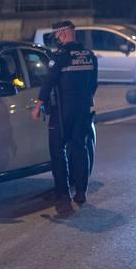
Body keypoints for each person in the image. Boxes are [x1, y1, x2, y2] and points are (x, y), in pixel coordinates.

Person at [31, 20, 98, 204]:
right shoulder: (89, 56)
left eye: (56, 35)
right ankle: (81, 191)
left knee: (57, 151)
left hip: (62, 111)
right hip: (83, 110)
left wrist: (38, 106)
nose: (56, 39)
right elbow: (93, 85)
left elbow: (48, 82)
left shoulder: (60, 57)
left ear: (62, 33)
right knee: (79, 148)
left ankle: (62, 193)